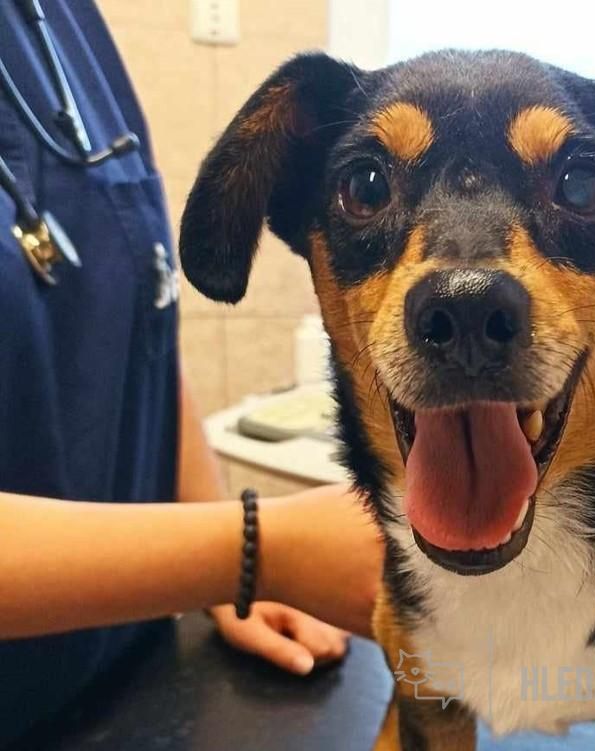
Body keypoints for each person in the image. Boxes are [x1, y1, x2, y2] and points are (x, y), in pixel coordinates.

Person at [0, 2, 382, 746]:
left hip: (136, 682)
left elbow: (138, 327)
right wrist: (255, 552)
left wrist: (226, 572)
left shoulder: (61, 21)